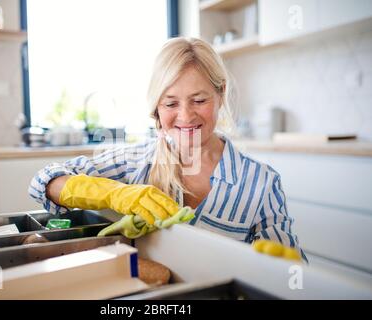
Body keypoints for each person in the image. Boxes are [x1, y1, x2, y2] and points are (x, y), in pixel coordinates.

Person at [29, 37, 307, 261]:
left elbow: (290, 273)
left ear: (220, 94)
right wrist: (114, 194)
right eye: (171, 104)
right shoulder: (135, 161)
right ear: (156, 109)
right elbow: (44, 181)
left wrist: (285, 270)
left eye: (199, 100)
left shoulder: (261, 183)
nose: (185, 116)